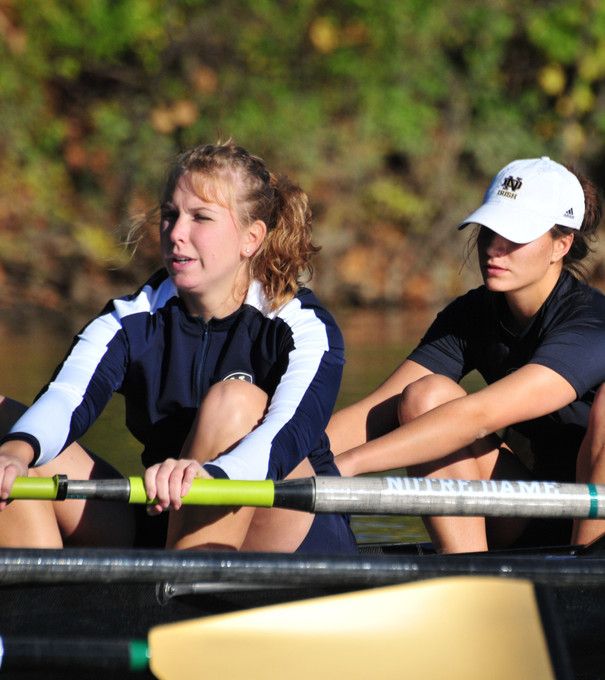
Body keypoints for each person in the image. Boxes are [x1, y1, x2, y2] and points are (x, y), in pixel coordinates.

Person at [327, 157, 605, 553]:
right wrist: (287, 458)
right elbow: (373, 412)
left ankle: (591, 582)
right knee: (426, 396)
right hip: (545, 509)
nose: (494, 247)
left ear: (562, 244)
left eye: (515, 234)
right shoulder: (471, 314)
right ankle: (469, 576)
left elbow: (477, 419)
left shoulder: (593, 325)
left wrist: (347, 467)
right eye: (490, 228)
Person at [0, 142, 357, 553]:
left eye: (200, 218)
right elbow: (65, 398)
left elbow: (286, 433)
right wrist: (14, 452)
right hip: (165, 514)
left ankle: (181, 598)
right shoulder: (131, 318)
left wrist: (214, 478)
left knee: (234, 402)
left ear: (251, 238)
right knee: (8, 423)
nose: (176, 233)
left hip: (288, 534)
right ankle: (41, 603)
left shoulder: (301, 327)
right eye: (170, 215)